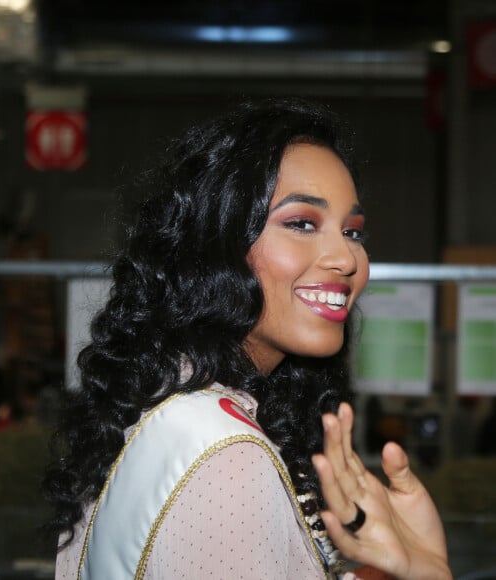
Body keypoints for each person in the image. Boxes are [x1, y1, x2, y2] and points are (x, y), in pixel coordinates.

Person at [44, 97, 451, 579]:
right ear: (216, 245)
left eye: (353, 231)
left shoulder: (160, 407)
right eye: (302, 223)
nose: (346, 259)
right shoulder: (228, 457)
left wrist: (418, 566)